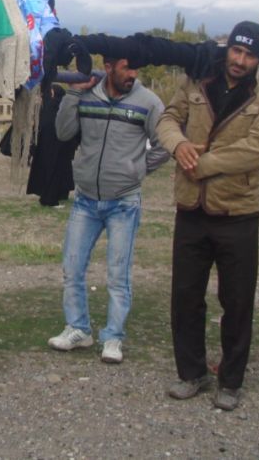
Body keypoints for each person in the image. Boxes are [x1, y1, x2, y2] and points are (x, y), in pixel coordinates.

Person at [157, 21, 259, 411]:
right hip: (191, 209)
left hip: (237, 212)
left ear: (258, 59)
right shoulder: (197, 80)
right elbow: (166, 120)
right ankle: (191, 372)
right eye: (236, 51)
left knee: (238, 300)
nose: (240, 61)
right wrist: (178, 146)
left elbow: (257, 148)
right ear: (228, 48)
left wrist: (203, 163)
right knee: (186, 296)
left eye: (249, 56)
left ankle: (231, 380)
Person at [47, 57, 168, 364]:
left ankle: (113, 338)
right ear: (109, 65)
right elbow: (62, 133)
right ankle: (78, 329)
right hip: (86, 199)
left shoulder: (148, 102)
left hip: (124, 202)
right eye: (127, 67)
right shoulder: (86, 95)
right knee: (72, 267)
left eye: (135, 68)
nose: (133, 74)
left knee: (118, 274)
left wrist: (137, 170)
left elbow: (165, 143)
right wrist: (73, 94)